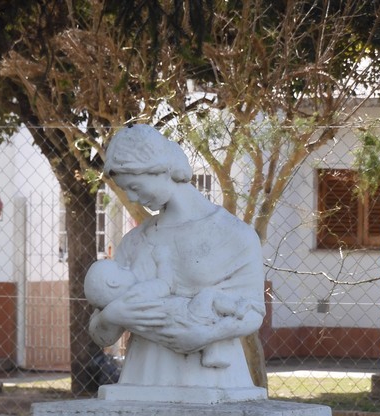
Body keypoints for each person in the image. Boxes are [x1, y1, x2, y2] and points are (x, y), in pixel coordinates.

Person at [88, 124, 265, 393]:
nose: (133, 197)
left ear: (160, 170)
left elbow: (252, 312)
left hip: (214, 383)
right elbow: (101, 331)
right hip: (143, 379)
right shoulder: (135, 242)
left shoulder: (234, 235)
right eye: (126, 191)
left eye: (135, 186)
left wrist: (207, 335)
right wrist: (113, 315)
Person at [84, 258, 265, 369]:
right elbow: (102, 337)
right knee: (209, 297)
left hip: (183, 330)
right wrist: (109, 317)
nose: (126, 267)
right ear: (113, 283)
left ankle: (211, 350)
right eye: (121, 269)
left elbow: (257, 313)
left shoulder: (239, 235)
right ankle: (234, 310)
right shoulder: (136, 292)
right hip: (180, 319)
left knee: (208, 306)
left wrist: (207, 336)